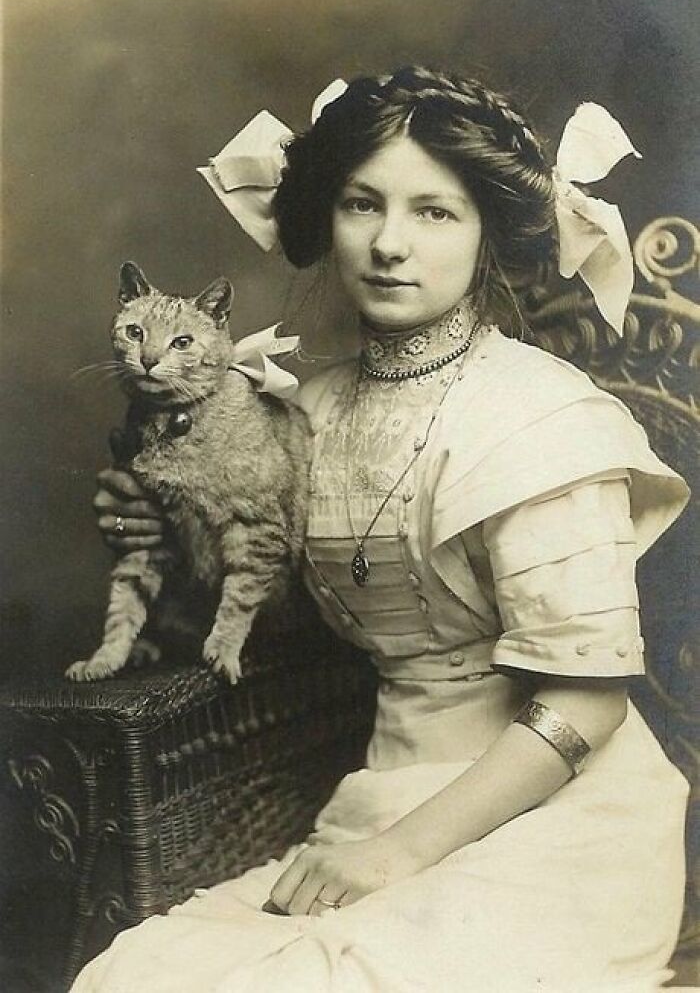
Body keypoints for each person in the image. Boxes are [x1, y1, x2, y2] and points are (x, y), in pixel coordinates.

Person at [72, 67, 690, 992]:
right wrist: (163, 536)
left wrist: (396, 855)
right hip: (374, 799)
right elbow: (282, 621)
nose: (390, 245)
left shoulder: (539, 417)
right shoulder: (303, 406)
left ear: (485, 232)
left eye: (435, 213)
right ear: (328, 217)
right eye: (364, 204)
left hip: (557, 823)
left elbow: (589, 703)